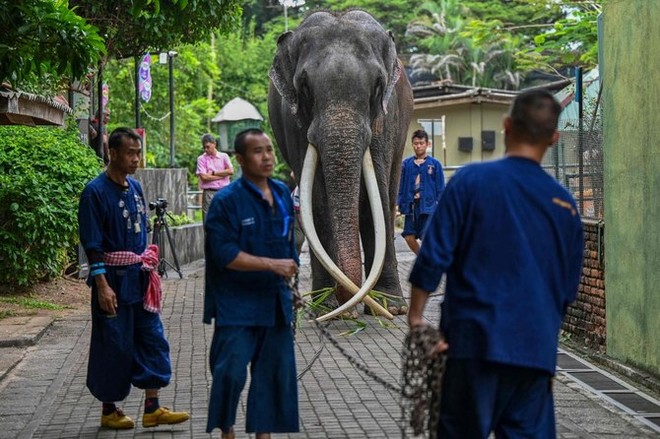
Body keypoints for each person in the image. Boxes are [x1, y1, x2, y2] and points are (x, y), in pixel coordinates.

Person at [407, 89, 584, 438]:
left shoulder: (470, 182)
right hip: (534, 355)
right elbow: (566, 290)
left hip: (472, 346)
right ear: (554, 138)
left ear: (507, 126)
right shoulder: (564, 206)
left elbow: (433, 256)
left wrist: (416, 318)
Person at [78, 127, 190, 430]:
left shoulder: (136, 188)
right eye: (130, 153)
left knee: (152, 337)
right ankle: (109, 409)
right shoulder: (94, 192)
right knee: (114, 344)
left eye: (138, 153)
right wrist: (102, 285)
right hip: (112, 280)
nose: (136, 159)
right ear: (112, 153)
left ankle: (152, 408)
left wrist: (148, 263)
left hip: (140, 279)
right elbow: (92, 244)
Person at [204, 128, 299, 439]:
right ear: (241, 160)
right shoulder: (226, 201)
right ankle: (227, 429)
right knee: (229, 372)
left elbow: (287, 246)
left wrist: (292, 288)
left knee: (272, 376)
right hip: (236, 305)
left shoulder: (282, 193)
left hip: (276, 303)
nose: (267, 157)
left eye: (269, 150)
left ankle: (263, 435)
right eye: (258, 151)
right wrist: (272, 265)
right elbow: (224, 254)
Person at [397, 129, 445, 254]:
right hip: (411, 207)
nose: (418, 146)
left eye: (421, 143)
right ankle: (422, 257)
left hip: (428, 207)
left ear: (427, 144)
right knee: (408, 236)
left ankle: (431, 260)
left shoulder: (435, 164)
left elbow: (441, 188)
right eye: (416, 143)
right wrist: (399, 204)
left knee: (427, 237)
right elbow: (401, 186)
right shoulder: (406, 164)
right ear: (412, 144)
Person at [196, 133, 233, 224]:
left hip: (224, 192)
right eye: (204, 147)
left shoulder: (224, 156)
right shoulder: (201, 159)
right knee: (208, 222)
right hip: (209, 193)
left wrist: (213, 173)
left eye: (207, 147)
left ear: (214, 144)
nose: (206, 149)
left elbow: (230, 171)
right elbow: (204, 177)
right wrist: (223, 175)